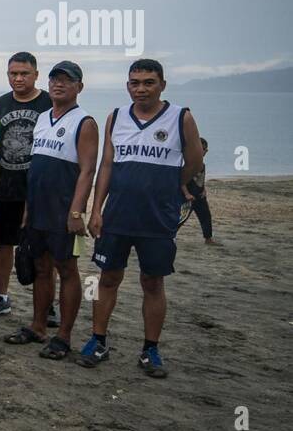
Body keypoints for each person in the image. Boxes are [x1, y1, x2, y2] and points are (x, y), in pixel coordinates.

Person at [82, 59, 202, 378]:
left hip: (157, 218)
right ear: (127, 86)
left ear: (162, 84)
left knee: (152, 281)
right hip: (118, 215)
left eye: (149, 82)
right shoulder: (117, 117)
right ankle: (98, 340)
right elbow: (106, 166)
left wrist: (176, 184)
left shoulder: (181, 117)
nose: (141, 88)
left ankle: (150, 349)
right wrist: (96, 209)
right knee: (107, 278)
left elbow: (194, 160)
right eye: (135, 82)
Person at [13, 61, 98, 359]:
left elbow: (88, 170)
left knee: (67, 269)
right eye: (54, 79)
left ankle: (63, 335)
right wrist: (26, 209)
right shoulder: (43, 118)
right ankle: (38, 326)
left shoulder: (84, 122)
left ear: (79, 86)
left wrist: (77, 211)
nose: (59, 84)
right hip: (38, 207)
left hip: (63, 211)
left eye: (66, 80)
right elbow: (35, 168)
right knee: (40, 266)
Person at [0, 52, 52, 321]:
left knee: (42, 248)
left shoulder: (49, 103)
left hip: (40, 191)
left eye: (24, 73)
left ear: (36, 74)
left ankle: (48, 303)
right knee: (3, 244)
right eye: (14, 73)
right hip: (5, 188)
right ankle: (1, 296)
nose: (19, 78)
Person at [188, 138, 219, 245]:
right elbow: (182, 180)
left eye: (206, 149)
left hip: (199, 195)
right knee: (179, 217)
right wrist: (186, 194)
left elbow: (200, 178)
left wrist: (204, 189)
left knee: (205, 216)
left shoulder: (201, 163)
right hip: (188, 195)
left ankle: (208, 238)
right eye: (203, 149)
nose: (205, 151)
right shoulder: (188, 162)